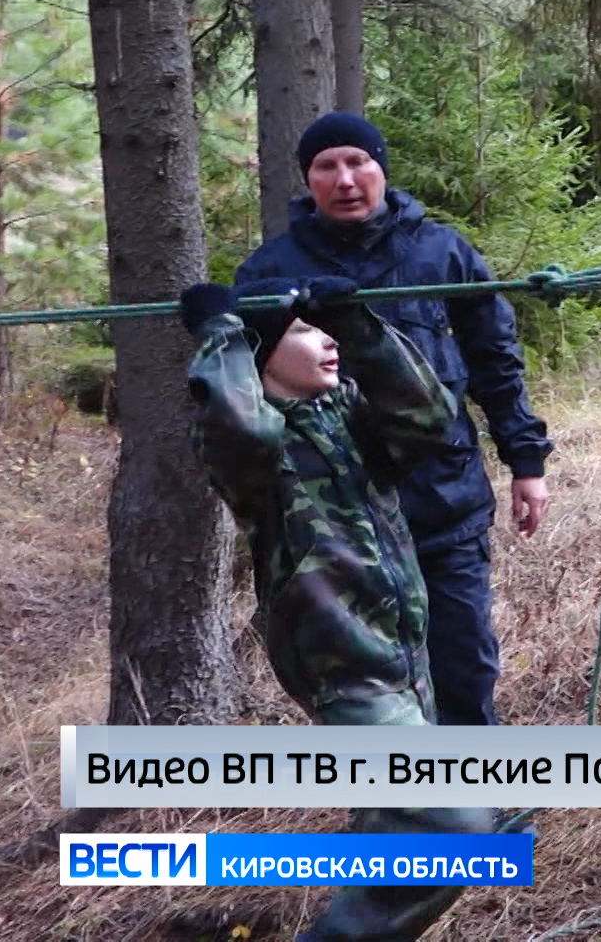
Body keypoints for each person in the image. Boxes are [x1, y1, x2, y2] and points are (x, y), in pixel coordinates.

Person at [180, 275, 495, 941]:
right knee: (455, 825)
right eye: (305, 331)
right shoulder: (251, 449)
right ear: (262, 354)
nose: (326, 343)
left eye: (325, 332)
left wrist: (358, 324)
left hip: (403, 653)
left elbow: (430, 419)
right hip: (343, 663)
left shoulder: (343, 413)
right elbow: (239, 421)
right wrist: (224, 333)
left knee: (407, 827)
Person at [237, 112, 553, 728]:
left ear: (381, 169)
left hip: (444, 503)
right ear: (308, 179)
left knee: (464, 669)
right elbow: (245, 394)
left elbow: (495, 360)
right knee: (370, 694)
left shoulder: (443, 253)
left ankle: (472, 785)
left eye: (358, 162)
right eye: (326, 167)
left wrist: (526, 462)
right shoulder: (270, 272)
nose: (345, 179)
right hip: (338, 525)